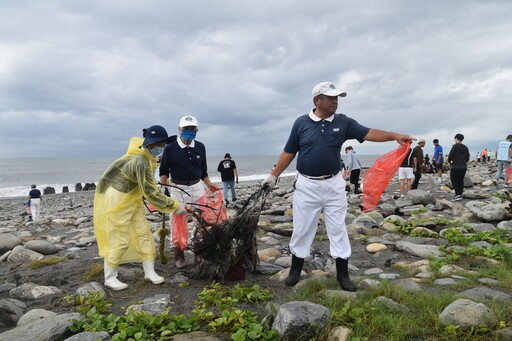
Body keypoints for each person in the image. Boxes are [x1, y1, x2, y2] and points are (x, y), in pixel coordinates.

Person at [262, 81, 414, 291]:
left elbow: (369, 133)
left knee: (338, 228)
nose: (335, 101)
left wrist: (395, 136)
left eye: (337, 98)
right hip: (307, 186)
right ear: (317, 100)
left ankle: (343, 275)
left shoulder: (343, 122)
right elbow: (289, 152)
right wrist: (273, 176)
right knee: (302, 229)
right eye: (331, 98)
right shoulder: (301, 123)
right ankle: (295, 269)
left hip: (334, 184)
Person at [94, 125, 186, 291]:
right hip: (118, 203)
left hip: (132, 200)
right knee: (120, 239)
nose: (162, 149)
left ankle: (149, 272)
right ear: (150, 145)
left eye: (163, 145)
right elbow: (151, 193)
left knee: (143, 233)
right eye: (160, 145)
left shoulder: (148, 159)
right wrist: (175, 205)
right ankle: (110, 278)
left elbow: (146, 186)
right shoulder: (140, 161)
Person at [159, 115, 220, 269]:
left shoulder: (200, 147)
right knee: (178, 222)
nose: (189, 132)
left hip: (197, 187)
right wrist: (163, 188)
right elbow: (164, 172)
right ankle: (179, 253)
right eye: (186, 129)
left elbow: (203, 171)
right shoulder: (170, 148)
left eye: (192, 129)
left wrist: (209, 184)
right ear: (179, 129)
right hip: (178, 189)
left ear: (197, 130)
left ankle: (199, 251)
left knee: (202, 220)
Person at [447, 133, 470, 201]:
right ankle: (460, 194)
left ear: (456, 139)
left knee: (454, 180)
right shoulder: (465, 147)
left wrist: (450, 161)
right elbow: (467, 158)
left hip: (455, 166)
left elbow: (450, 157)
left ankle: (458, 195)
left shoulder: (454, 147)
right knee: (460, 180)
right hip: (463, 167)